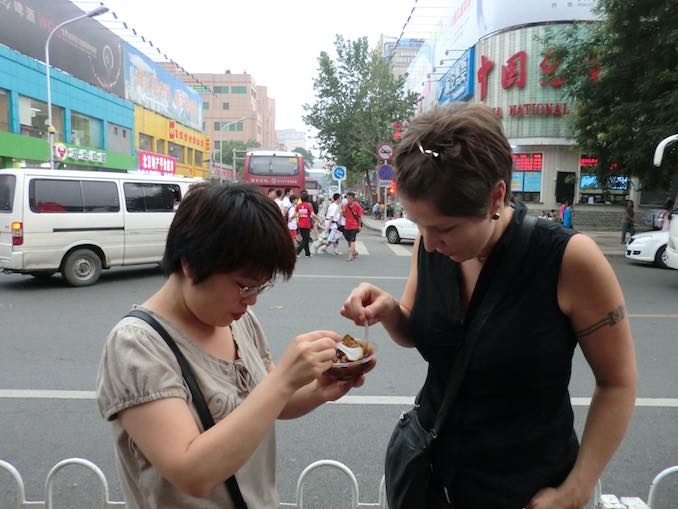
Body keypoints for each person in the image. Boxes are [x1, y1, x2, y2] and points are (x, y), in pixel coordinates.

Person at [340, 104, 636, 509]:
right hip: (431, 475)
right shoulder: (431, 249)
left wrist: (578, 487)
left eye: (444, 228)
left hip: (522, 488)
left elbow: (617, 381)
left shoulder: (567, 259)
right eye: (418, 223)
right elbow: (421, 334)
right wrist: (390, 309)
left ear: (496, 196)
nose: (427, 243)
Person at [96, 182, 369, 509]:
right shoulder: (137, 345)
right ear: (192, 264)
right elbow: (191, 473)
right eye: (243, 286)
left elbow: (268, 402)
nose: (251, 300)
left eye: (260, 286)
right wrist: (283, 380)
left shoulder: (236, 320)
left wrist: (317, 390)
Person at [343, 191, 363, 261]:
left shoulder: (357, 206)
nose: (349, 200)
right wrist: (342, 211)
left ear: (353, 198)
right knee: (348, 240)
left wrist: (359, 226)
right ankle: (354, 251)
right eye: (347, 198)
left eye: (350, 198)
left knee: (352, 241)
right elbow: (344, 216)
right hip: (347, 226)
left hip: (354, 226)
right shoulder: (345, 206)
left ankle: (350, 256)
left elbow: (359, 216)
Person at [295, 190, 314, 257]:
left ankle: (307, 253)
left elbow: (295, 214)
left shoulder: (298, 205)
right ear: (307, 198)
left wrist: (291, 219)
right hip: (307, 225)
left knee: (305, 238)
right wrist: (319, 219)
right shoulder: (309, 205)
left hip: (300, 224)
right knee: (306, 239)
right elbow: (312, 214)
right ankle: (297, 252)